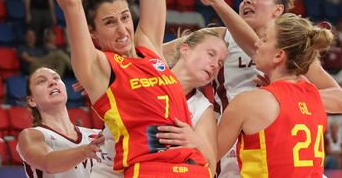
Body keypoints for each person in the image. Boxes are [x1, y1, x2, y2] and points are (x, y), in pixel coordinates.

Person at [18, 0, 211, 177]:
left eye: (124, 17)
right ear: (93, 33)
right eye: (109, 23)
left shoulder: (149, 49)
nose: (122, 29)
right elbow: (71, 2)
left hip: (195, 169)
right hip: (149, 170)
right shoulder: (99, 68)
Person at [164, 0, 342, 176]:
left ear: (278, 10)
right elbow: (159, 52)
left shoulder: (294, 50)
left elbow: (341, 101)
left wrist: (285, 94)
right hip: (227, 144)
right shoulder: (219, 36)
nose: (247, 0)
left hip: (274, 138)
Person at [76, 29, 228, 176]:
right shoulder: (140, 74)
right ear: (185, 49)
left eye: (220, 63)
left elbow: (211, 165)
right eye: (210, 54)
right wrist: (99, 77)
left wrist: (195, 140)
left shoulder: (202, 107)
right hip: (110, 171)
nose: (215, 65)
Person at [216, 13, 332, 177]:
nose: (256, 43)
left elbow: (207, 156)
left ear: (279, 55)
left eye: (264, 39)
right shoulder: (314, 95)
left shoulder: (248, 102)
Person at [16, 67, 106, 178]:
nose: (52, 82)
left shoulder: (95, 135)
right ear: (32, 100)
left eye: (56, 78)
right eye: (41, 81)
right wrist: (84, 151)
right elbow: (47, 163)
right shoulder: (32, 135)